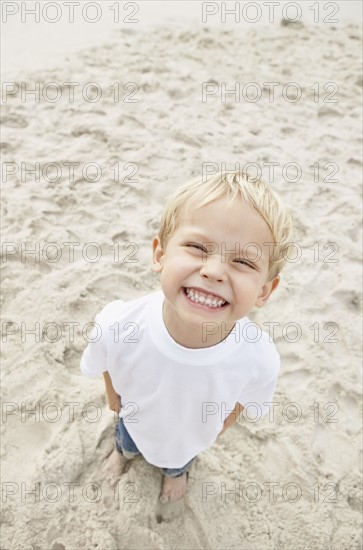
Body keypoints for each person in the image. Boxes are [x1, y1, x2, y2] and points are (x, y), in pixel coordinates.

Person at [80, 169, 294, 504]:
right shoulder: (119, 324)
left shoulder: (259, 357)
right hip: (134, 420)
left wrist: (224, 423)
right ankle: (122, 454)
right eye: (196, 246)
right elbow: (105, 362)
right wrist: (112, 397)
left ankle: (175, 474)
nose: (214, 271)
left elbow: (246, 395)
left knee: (178, 461)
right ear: (160, 255)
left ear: (265, 290)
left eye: (242, 261)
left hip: (190, 437)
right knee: (127, 441)